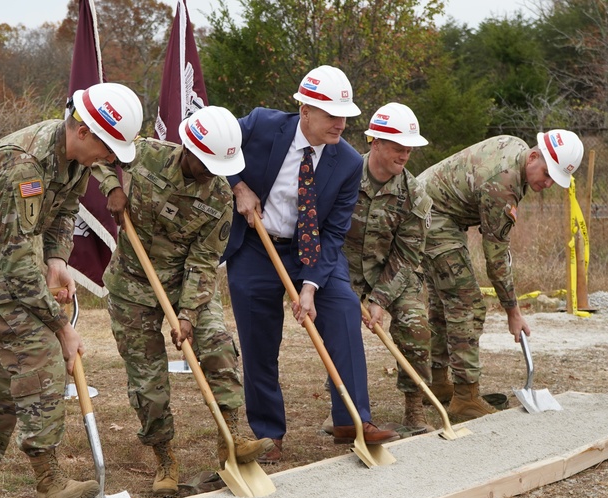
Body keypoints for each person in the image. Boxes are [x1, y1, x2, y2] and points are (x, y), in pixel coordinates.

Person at [0, 82, 143, 498]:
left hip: (5, 253)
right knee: (37, 348)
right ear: (83, 130)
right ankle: (49, 480)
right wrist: (60, 326)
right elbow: (17, 265)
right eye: (108, 147)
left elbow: (63, 214)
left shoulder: (73, 158)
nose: (111, 160)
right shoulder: (20, 164)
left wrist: (58, 262)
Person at [222, 65, 400, 464]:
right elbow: (212, 142)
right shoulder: (262, 124)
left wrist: (309, 286)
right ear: (304, 110)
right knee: (259, 341)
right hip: (256, 246)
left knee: (341, 314)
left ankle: (353, 421)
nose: (340, 124)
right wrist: (239, 185)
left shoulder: (350, 162)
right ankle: (269, 434)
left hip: (313, 251)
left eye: (345, 117)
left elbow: (334, 232)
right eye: (331, 116)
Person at [94, 106, 274, 496]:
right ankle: (164, 456)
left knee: (219, 347)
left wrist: (189, 313)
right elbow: (101, 151)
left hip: (186, 284)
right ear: (188, 149)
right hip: (133, 282)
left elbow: (203, 260)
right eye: (205, 163)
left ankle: (232, 439)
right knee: (147, 377)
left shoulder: (221, 198)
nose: (211, 172)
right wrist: (113, 186)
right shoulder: (149, 154)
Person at [418, 129, 584, 421]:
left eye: (553, 180)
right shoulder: (504, 184)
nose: (546, 184)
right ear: (533, 156)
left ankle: (439, 381)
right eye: (546, 174)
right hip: (431, 216)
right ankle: (465, 398)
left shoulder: (516, 148)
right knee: (467, 305)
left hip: (431, 210)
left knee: (446, 304)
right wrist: (513, 311)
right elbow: (495, 258)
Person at [332, 102, 435, 434]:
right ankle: (343, 407)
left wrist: (379, 300)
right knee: (337, 330)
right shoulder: (342, 174)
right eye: (397, 147)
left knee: (416, 327)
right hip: (342, 270)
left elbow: (407, 255)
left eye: (409, 149)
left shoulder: (414, 195)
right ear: (375, 142)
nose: (405, 155)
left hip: (392, 274)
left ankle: (414, 407)